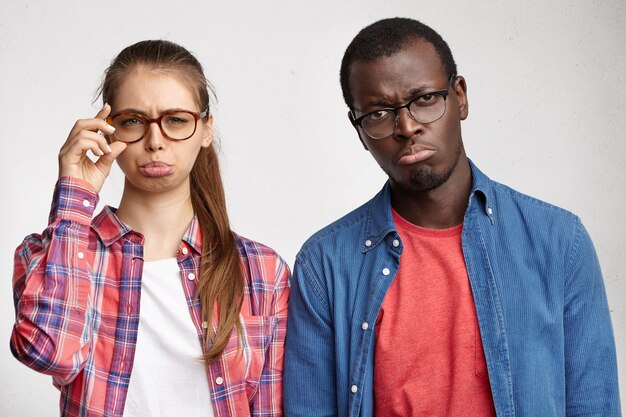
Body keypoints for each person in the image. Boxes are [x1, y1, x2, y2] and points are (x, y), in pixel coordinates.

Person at [283, 17, 620, 416]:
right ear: (358, 129)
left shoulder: (560, 241)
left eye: (424, 99)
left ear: (459, 97)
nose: (406, 127)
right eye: (378, 114)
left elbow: (594, 405)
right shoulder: (325, 264)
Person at [11, 40, 289, 417]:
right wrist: (75, 196)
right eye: (133, 122)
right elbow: (49, 352)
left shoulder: (262, 271)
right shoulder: (52, 253)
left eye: (176, 120)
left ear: (206, 129)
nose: (155, 142)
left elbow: (270, 408)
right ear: (108, 132)